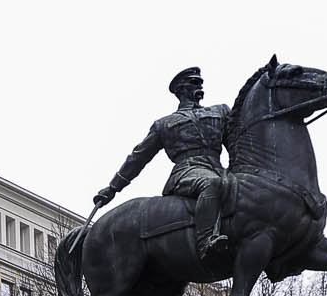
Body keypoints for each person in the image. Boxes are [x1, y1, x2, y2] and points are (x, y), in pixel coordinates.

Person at [95, 66, 231, 257]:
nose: (200, 85)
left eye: (200, 81)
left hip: (219, 168)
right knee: (212, 184)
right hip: (187, 171)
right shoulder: (164, 124)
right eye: (194, 82)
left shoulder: (220, 112)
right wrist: (112, 188)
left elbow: (237, 143)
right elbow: (138, 157)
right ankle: (205, 242)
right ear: (182, 89)